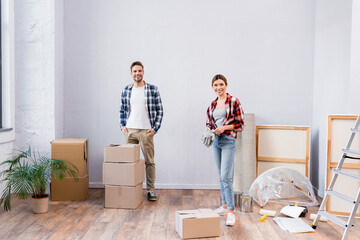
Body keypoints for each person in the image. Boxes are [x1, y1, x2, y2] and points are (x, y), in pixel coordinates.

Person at [120, 61, 164, 201]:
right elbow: (122, 109)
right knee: (128, 161)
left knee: (149, 161)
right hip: (130, 130)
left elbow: (160, 110)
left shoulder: (152, 89)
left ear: (143, 72)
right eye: (134, 71)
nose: (137, 73)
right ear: (131, 73)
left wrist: (155, 129)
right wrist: (123, 126)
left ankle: (150, 190)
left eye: (139, 71)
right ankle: (129, 188)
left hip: (146, 131)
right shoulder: (127, 90)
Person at [205, 74, 244, 226]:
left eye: (221, 84)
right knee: (220, 175)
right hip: (216, 142)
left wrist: (224, 128)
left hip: (228, 141)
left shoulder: (233, 101)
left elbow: (240, 124)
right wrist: (208, 130)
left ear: (226, 85)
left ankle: (231, 212)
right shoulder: (213, 104)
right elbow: (209, 122)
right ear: (212, 87)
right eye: (215, 85)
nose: (218, 87)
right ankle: (224, 206)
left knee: (226, 176)